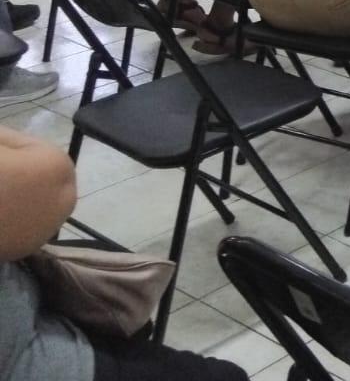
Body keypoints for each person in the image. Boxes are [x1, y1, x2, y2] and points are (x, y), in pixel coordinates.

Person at [0, 126, 249, 381]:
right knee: (226, 377)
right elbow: (56, 181)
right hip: (24, 361)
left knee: (120, 299)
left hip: (25, 310)